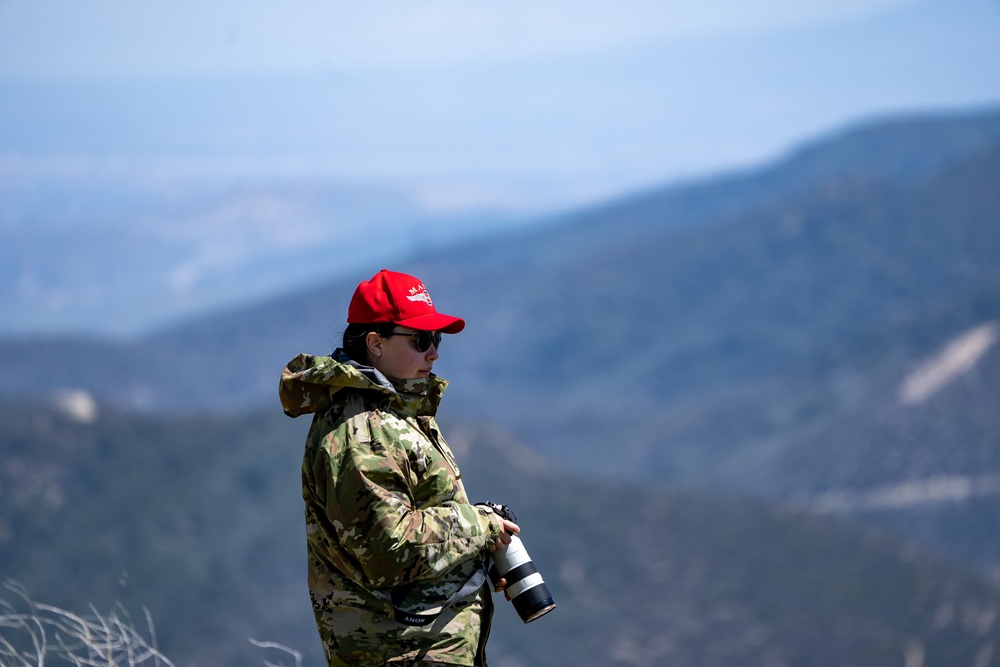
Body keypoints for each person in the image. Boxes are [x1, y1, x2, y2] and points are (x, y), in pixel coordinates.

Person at [279, 268, 519, 667]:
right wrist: (481, 527)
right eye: (421, 339)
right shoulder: (363, 432)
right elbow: (391, 549)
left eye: (436, 339)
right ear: (375, 342)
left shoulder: (396, 412)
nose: (434, 353)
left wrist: (472, 561)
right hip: (402, 651)